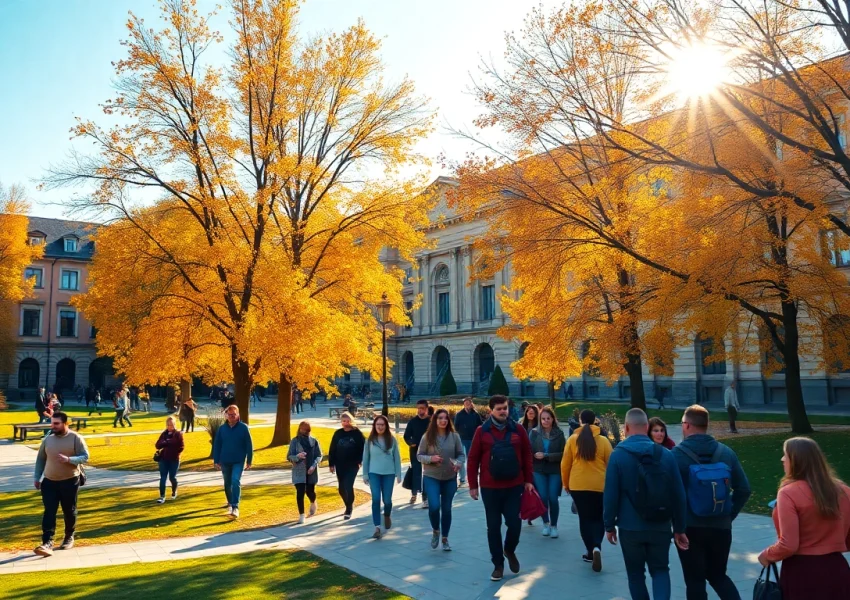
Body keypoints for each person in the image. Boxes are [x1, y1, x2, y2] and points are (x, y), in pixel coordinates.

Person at [603, 408, 688, 600]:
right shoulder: (666, 455)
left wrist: (609, 525)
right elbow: (679, 494)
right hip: (660, 524)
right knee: (660, 571)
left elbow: (610, 494)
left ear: (625, 428)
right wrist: (680, 527)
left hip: (629, 525)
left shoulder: (618, 455)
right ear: (647, 427)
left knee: (635, 575)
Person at [672, 405, 750, 600]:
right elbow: (744, 489)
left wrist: (676, 524)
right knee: (718, 576)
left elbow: (670, 494)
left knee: (695, 580)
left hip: (690, 527)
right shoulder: (726, 453)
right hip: (721, 526)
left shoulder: (675, 455)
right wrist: (729, 514)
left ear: (687, 425)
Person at [757, 437, 850, 599]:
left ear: (796, 461)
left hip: (801, 572)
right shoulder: (845, 491)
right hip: (837, 570)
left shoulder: (788, 493)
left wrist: (766, 555)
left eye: (785, 455)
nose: (782, 459)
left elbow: (788, 545)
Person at [467, 395, 534, 582]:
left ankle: (509, 550)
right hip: (490, 487)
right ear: (491, 411)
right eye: (499, 409)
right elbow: (473, 459)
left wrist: (529, 480)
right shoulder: (482, 431)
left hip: (514, 486)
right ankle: (498, 564)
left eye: (505, 408)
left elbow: (527, 455)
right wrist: (473, 485)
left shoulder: (518, 429)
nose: (503, 411)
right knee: (493, 526)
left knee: (515, 523)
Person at [33, 412, 90, 556]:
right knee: (49, 512)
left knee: (69, 510)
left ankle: (68, 537)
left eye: (56, 423)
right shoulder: (48, 439)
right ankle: (47, 542)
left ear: (65, 424)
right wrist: (37, 477)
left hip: (69, 480)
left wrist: (69, 459)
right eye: (52, 423)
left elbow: (85, 457)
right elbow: (41, 459)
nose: (53, 426)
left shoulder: (76, 438)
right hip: (49, 481)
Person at [561, 409, 612, 567]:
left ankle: (590, 551)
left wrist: (566, 483)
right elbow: (611, 464)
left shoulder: (573, 439)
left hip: (578, 484)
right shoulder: (603, 441)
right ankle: (597, 546)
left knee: (584, 518)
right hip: (599, 485)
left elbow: (565, 464)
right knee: (598, 518)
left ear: (580, 421)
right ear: (595, 420)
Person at [418, 409, 464, 551]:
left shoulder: (454, 436)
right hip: (431, 476)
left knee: (446, 509)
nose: (443, 421)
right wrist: (431, 459)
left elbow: (461, 455)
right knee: (434, 507)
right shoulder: (427, 437)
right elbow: (419, 456)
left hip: (449, 478)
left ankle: (445, 538)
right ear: (435, 420)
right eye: (440, 418)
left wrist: (458, 463)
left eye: (445, 418)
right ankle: (435, 530)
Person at [362, 415, 402, 539]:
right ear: (374, 426)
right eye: (378, 424)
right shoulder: (370, 440)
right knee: (375, 499)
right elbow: (366, 458)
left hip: (389, 473)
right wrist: (365, 474)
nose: (380, 427)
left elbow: (397, 458)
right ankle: (377, 527)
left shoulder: (392, 439)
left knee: (387, 500)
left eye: (382, 425)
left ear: (386, 426)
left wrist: (398, 474)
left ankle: (387, 515)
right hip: (374, 473)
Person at [530, 406, 566, 538]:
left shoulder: (559, 433)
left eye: (548, 418)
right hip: (538, 469)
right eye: (543, 418)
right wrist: (534, 456)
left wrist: (546, 455)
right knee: (543, 497)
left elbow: (564, 454)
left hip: (554, 469)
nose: (545, 421)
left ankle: (554, 525)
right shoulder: (534, 433)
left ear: (552, 419)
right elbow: (528, 451)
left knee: (553, 498)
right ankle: (545, 523)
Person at [213, 405, 253, 518]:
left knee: (235, 481)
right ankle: (230, 502)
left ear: (238, 415)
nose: (232, 417)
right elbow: (217, 445)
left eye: (234, 415)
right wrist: (216, 460)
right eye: (230, 415)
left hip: (238, 460)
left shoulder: (243, 428)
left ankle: (235, 507)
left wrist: (249, 460)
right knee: (227, 483)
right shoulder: (222, 429)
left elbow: (249, 445)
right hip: (225, 460)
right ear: (226, 415)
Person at [328, 412, 365, 520]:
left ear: (351, 421)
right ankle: (348, 504)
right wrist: (331, 464)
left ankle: (349, 509)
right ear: (341, 422)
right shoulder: (338, 433)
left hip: (353, 464)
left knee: (348, 485)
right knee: (341, 489)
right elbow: (332, 449)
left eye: (348, 421)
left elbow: (363, 447)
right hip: (340, 464)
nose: (346, 423)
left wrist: (360, 460)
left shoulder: (357, 433)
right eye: (344, 421)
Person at [288, 421, 323, 524]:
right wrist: (297, 457)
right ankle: (302, 515)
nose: (304, 432)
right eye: (302, 429)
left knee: (310, 492)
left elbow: (319, 455)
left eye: (306, 430)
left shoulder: (314, 441)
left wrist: (313, 466)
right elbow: (289, 456)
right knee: (300, 493)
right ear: (299, 429)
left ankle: (313, 502)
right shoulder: (295, 441)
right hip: (299, 471)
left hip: (311, 471)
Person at [403, 399, 431, 507]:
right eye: (418, 408)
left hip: (428, 452)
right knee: (416, 472)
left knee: (427, 474)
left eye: (422, 408)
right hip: (415, 451)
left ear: (426, 409)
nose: (420, 410)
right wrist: (410, 443)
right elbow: (406, 436)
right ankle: (414, 493)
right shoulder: (412, 421)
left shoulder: (431, 422)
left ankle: (425, 497)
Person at [454, 397, 484, 486]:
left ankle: (473, 475)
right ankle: (462, 477)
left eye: (468, 402)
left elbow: (480, 426)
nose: (467, 404)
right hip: (462, 439)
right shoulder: (459, 414)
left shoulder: (475, 414)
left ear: (471, 404)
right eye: (465, 403)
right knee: (461, 459)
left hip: (472, 439)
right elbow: (456, 426)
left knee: (472, 459)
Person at [155, 416, 185, 504]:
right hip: (163, 459)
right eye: (168, 425)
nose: (169, 427)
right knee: (163, 477)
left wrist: (170, 445)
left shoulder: (178, 434)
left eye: (171, 425)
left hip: (174, 459)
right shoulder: (164, 434)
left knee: (172, 477)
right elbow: (157, 445)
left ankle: (174, 491)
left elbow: (181, 446)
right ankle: (162, 496)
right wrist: (166, 443)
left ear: (174, 424)